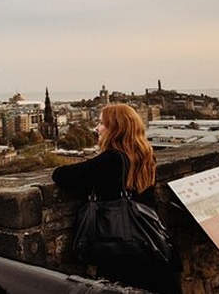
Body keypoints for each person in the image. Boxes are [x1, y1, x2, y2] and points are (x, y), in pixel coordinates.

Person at [52, 103, 182, 294]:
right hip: (152, 246)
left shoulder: (112, 159)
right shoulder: (146, 155)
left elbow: (61, 175)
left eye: (102, 123)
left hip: (124, 252)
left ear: (116, 128)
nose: (97, 128)